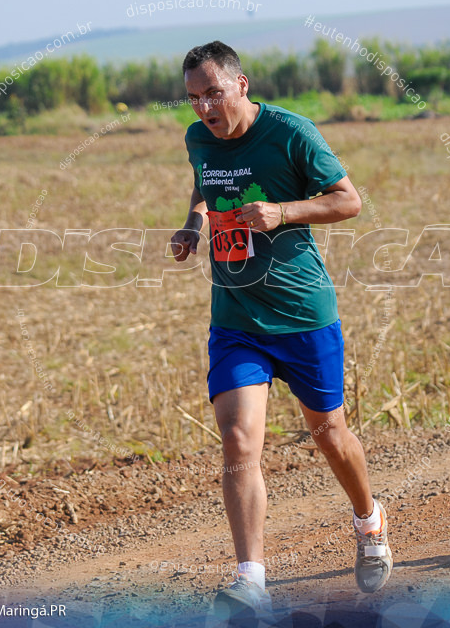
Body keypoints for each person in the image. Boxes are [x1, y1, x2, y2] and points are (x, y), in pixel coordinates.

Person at [170, 42, 391, 619]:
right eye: (194, 98)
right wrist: (193, 226)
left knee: (329, 435)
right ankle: (252, 582)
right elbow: (203, 184)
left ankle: (369, 520)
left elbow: (349, 202)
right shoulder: (198, 140)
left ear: (242, 84)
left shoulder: (292, 132)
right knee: (240, 440)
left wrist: (282, 212)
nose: (204, 108)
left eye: (213, 93)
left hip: (301, 315)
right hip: (237, 318)